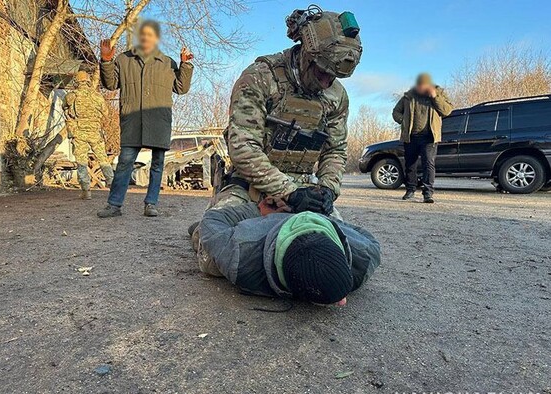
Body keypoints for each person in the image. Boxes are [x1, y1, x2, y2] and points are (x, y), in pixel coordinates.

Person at [205, 6, 363, 218]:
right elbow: (243, 146)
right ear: (307, 55)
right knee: (217, 234)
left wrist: (327, 189)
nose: (326, 83)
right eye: (322, 72)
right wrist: (289, 192)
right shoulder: (260, 78)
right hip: (250, 186)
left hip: (304, 191)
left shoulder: (336, 96)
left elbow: (335, 150)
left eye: (333, 77)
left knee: (337, 240)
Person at [197, 198, 381, 306]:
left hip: (305, 210)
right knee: (208, 257)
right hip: (263, 218)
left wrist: (316, 211)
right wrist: (257, 209)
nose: (344, 302)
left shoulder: (364, 256)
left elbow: (367, 237)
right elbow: (212, 219)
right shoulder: (242, 257)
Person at [97, 20, 194, 218]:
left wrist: (185, 65)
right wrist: (106, 61)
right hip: (132, 121)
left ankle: (151, 203)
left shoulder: (167, 62)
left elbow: (181, 88)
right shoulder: (124, 60)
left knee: (157, 164)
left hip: (159, 121)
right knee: (125, 163)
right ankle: (114, 205)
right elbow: (110, 84)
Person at [392, 73, 453, 203]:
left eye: (424, 85)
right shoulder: (408, 96)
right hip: (411, 136)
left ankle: (428, 193)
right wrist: (403, 120)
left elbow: (447, 111)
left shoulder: (439, 93)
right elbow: (395, 112)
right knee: (410, 164)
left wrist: (435, 97)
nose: (421, 88)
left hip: (429, 137)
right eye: (419, 85)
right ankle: (410, 189)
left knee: (428, 164)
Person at [63, 70, 114, 200]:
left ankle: (86, 191)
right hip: (95, 132)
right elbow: (106, 113)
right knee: (102, 159)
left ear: (76, 81)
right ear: (88, 81)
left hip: (79, 132)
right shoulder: (97, 96)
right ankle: (113, 185)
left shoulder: (71, 96)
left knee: (81, 161)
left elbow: (64, 107)